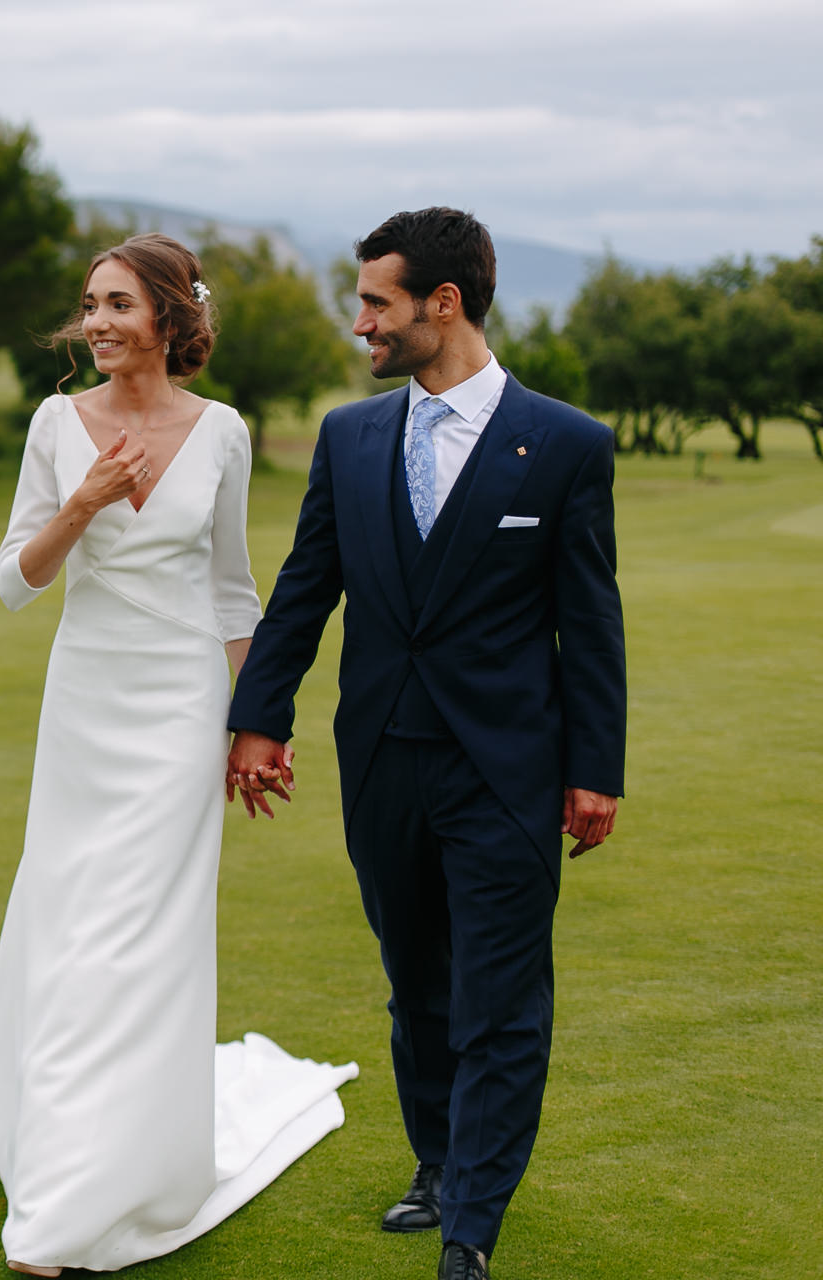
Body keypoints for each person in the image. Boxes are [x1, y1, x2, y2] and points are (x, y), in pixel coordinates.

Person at [226, 208, 627, 1280]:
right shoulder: (350, 437)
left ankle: (472, 1227)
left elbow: (589, 621)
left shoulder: (568, 444)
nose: (360, 322)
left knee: (501, 994)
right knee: (418, 981)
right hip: (384, 761)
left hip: (506, 768)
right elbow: (307, 589)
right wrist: (261, 717)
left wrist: (597, 770)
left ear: (441, 305)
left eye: (375, 303)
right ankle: (439, 1161)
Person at [0, 233, 356, 1277]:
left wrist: (256, 722)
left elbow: (233, 590)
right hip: (87, 702)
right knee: (75, 921)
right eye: (88, 305)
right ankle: (62, 1160)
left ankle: (117, 1169)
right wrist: (86, 500)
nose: (95, 322)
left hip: (180, 706)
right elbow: (15, 581)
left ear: (166, 315)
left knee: (148, 933)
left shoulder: (225, 431)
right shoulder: (57, 424)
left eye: (116, 304)